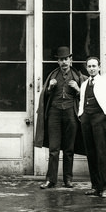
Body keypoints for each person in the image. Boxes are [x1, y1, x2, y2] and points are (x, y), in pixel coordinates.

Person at [34, 45, 86, 189]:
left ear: (71, 60)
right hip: (54, 114)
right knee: (54, 149)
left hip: (71, 113)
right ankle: (51, 180)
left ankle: (68, 179)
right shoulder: (52, 76)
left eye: (66, 59)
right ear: (58, 62)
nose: (64, 62)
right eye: (61, 60)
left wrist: (77, 89)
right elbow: (44, 97)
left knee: (69, 149)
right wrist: (50, 89)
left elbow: (87, 96)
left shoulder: (78, 77)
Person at [77, 55, 106, 198]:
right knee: (91, 153)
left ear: (99, 67)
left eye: (94, 66)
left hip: (100, 120)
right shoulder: (84, 85)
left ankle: (105, 187)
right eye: (89, 66)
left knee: (101, 153)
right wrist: (81, 115)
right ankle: (95, 186)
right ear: (86, 68)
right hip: (87, 121)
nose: (91, 69)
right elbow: (82, 101)